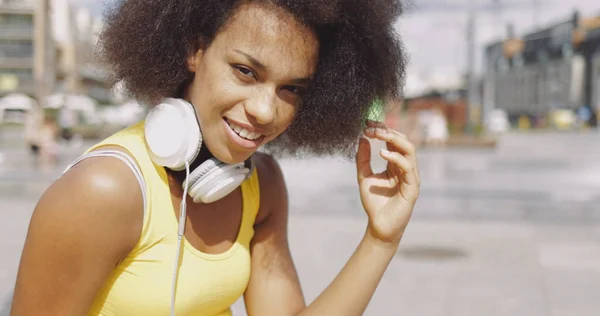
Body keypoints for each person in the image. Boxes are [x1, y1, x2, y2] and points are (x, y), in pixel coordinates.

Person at [11, 1, 420, 315]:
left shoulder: (262, 185)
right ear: (195, 51)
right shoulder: (103, 191)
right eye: (245, 71)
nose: (265, 110)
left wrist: (381, 239)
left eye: (291, 89)